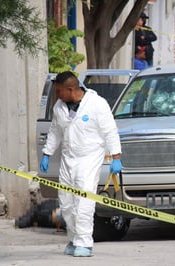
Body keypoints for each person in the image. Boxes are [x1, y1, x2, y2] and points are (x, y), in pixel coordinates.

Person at [39, 71, 122, 257]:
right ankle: (73, 239)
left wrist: (116, 157)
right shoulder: (60, 107)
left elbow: (110, 131)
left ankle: (85, 243)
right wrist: (46, 153)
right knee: (67, 203)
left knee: (83, 203)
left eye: (59, 91)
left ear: (70, 89)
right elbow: (55, 132)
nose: (57, 95)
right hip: (68, 160)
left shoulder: (97, 104)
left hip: (89, 159)